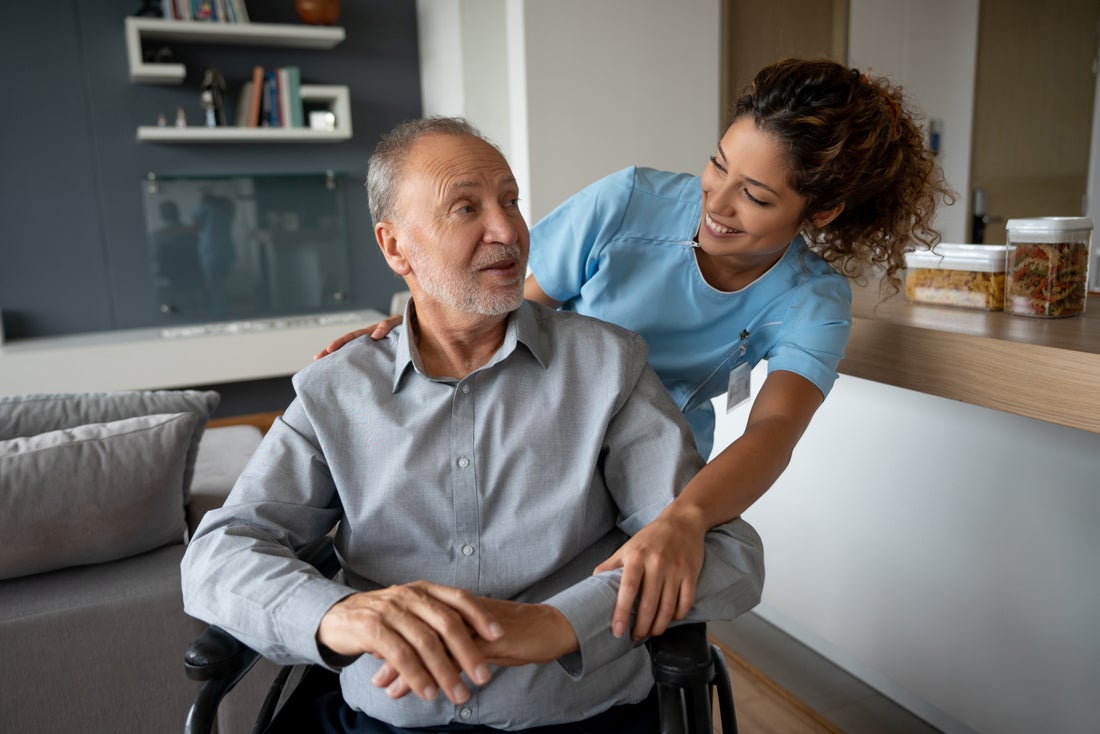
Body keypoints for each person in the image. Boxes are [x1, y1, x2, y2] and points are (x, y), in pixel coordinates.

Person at [315, 58, 956, 642]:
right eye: (719, 165)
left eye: (757, 197)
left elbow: (774, 430)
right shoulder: (629, 204)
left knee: (657, 587)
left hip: (654, 472)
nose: (719, 203)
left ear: (821, 212)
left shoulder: (811, 298)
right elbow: (508, 309)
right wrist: (412, 335)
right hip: (542, 432)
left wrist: (684, 516)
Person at [181, 116, 764, 734]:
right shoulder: (337, 388)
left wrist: (563, 623)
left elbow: (724, 551)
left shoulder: (608, 367)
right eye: (466, 208)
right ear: (395, 247)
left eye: (510, 200)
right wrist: (338, 615)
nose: (508, 229)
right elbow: (218, 553)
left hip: (581, 718)